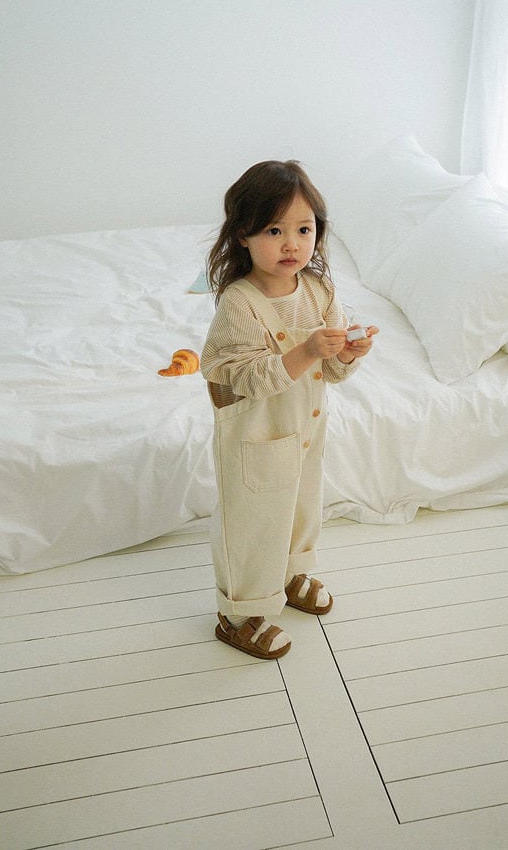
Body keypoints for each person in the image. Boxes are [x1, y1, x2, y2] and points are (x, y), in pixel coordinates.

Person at [201, 159, 378, 659]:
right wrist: (305, 351)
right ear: (243, 234)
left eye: (304, 230)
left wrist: (348, 353)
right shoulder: (240, 302)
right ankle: (239, 611)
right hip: (255, 438)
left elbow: (333, 373)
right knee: (253, 523)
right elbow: (238, 375)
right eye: (274, 230)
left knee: (301, 508)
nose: (291, 245)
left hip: (305, 430)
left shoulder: (320, 291)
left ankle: (290, 573)